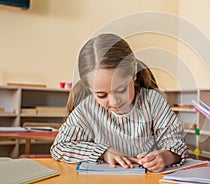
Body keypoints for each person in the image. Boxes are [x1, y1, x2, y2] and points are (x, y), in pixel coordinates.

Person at [50, 33, 188, 172]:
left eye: (121, 89)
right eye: (101, 95)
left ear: (133, 72)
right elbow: (59, 147)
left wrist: (166, 156)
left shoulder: (152, 101)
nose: (114, 101)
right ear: (90, 89)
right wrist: (103, 152)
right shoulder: (87, 109)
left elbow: (177, 142)